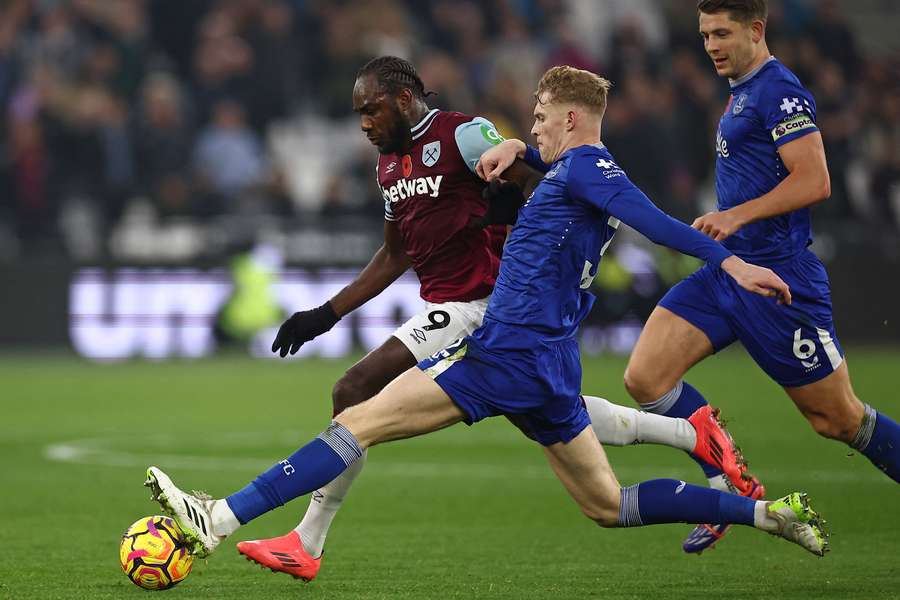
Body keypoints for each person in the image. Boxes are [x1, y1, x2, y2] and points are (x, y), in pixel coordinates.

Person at [144, 65, 828, 570]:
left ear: (570, 120)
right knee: (608, 506)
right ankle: (768, 514)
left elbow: (652, 220)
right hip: (547, 361)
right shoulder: (569, 172)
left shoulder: (588, 168)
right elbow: (547, 181)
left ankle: (219, 518)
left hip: (507, 351)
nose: (527, 128)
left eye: (537, 120)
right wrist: (523, 155)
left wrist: (728, 262)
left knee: (356, 417)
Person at [612, 0, 900, 554]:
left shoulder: (778, 90)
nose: (711, 45)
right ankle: (734, 482)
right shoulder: (740, 92)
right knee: (645, 376)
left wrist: (734, 215)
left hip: (780, 280)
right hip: (727, 273)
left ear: (756, 29)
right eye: (703, 35)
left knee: (838, 420)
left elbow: (815, 180)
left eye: (722, 33)